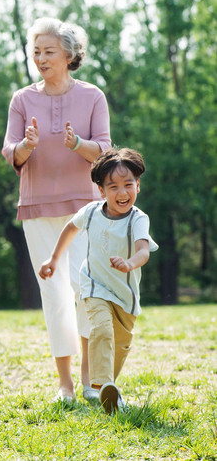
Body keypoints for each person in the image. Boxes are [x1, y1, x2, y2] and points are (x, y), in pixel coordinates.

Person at [1, 18, 112, 402]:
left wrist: (77, 142)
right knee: (54, 293)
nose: (41, 59)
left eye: (49, 52)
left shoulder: (93, 96)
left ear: (69, 54)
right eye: (36, 52)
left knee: (85, 288)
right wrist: (27, 146)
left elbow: (105, 149)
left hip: (85, 208)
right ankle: (64, 382)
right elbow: (9, 151)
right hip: (36, 207)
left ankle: (88, 379)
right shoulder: (22, 99)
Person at [39, 148, 157, 414]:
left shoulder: (138, 219)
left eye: (128, 185)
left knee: (119, 346)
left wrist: (130, 263)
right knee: (101, 329)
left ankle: (107, 389)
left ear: (138, 185)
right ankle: (103, 385)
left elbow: (143, 250)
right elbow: (70, 227)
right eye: (113, 186)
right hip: (94, 285)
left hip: (125, 295)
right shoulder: (91, 212)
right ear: (101, 191)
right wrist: (54, 259)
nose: (122, 192)